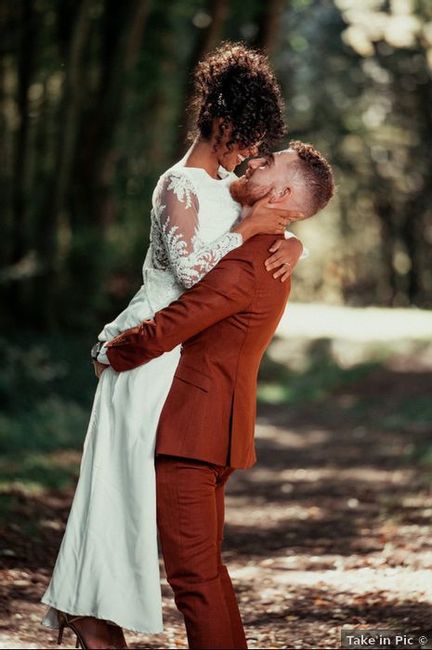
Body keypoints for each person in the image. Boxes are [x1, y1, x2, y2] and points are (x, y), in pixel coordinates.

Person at [40, 43, 304, 650]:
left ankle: (97, 619)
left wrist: (293, 246)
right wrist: (249, 231)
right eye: (244, 138)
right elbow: (192, 272)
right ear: (219, 121)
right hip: (151, 352)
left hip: (182, 356)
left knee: (140, 500)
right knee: (120, 494)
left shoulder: (228, 189)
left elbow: (259, 248)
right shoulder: (178, 184)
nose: (249, 155)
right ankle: (92, 613)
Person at [104, 141, 335, 649]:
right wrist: (296, 241)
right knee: (206, 572)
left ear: (280, 193)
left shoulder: (248, 262)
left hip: (192, 435)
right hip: (217, 432)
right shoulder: (271, 255)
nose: (255, 161)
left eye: (268, 163)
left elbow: (175, 323)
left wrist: (112, 350)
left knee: (194, 580)